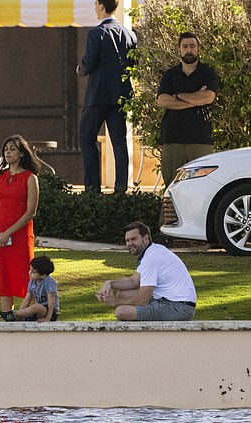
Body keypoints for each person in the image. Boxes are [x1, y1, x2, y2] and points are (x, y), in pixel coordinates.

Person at [77, 0, 137, 193]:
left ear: (101, 5)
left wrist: (80, 68)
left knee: (86, 137)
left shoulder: (96, 33)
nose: (94, 8)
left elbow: (89, 63)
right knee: (119, 141)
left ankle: (93, 189)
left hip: (97, 96)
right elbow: (133, 64)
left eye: (95, 4)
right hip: (120, 96)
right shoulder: (130, 34)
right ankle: (121, 188)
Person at [0, 135, 41, 320]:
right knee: (4, 272)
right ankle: (6, 313)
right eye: (6, 149)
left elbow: (31, 212)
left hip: (20, 233)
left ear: (21, 153)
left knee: (26, 271)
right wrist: (0, 205)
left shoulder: (30, 178)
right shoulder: (0, 175)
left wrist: (8, 232)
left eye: (12, 149)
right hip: (0, 229)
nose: (8, 152)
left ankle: (31, 311)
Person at [96, 221, 197, 321]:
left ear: (146, 239)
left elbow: (143, 300)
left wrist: (115, 302)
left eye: (133, 239)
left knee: (121, 311)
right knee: (122, 294)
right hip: (173, 302)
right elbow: (133, 281)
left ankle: (141, 336)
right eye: (127, 240)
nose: (130, 243)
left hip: (177, 308)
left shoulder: (151, 258)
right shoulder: (152, 251)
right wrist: (109, 283)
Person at [157, 32, 219, 187]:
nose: (188, 49)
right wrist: (195, 99)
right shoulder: (169, 75)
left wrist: (177, 96)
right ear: (179, 50)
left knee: (203, 187)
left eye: (192, 46)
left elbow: (208, 97)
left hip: (201, 139)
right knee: (171, 189)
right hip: (173, 140)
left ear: (198, 49)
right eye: (185, 46)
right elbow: (162, 100)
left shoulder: (208, 73)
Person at [1, 255, 59, 323]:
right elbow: (26, 300)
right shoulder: (32, 281)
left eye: (33, 272)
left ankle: (14, 313)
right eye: (30, 269)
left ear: (43, 275)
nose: (29, 273)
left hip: (50, 312)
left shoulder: (49, 282)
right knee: (33, 307)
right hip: (38, 311)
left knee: (36, 307)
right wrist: (21, 313)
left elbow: (51, 302)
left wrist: (48, 318)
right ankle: (18, 316)